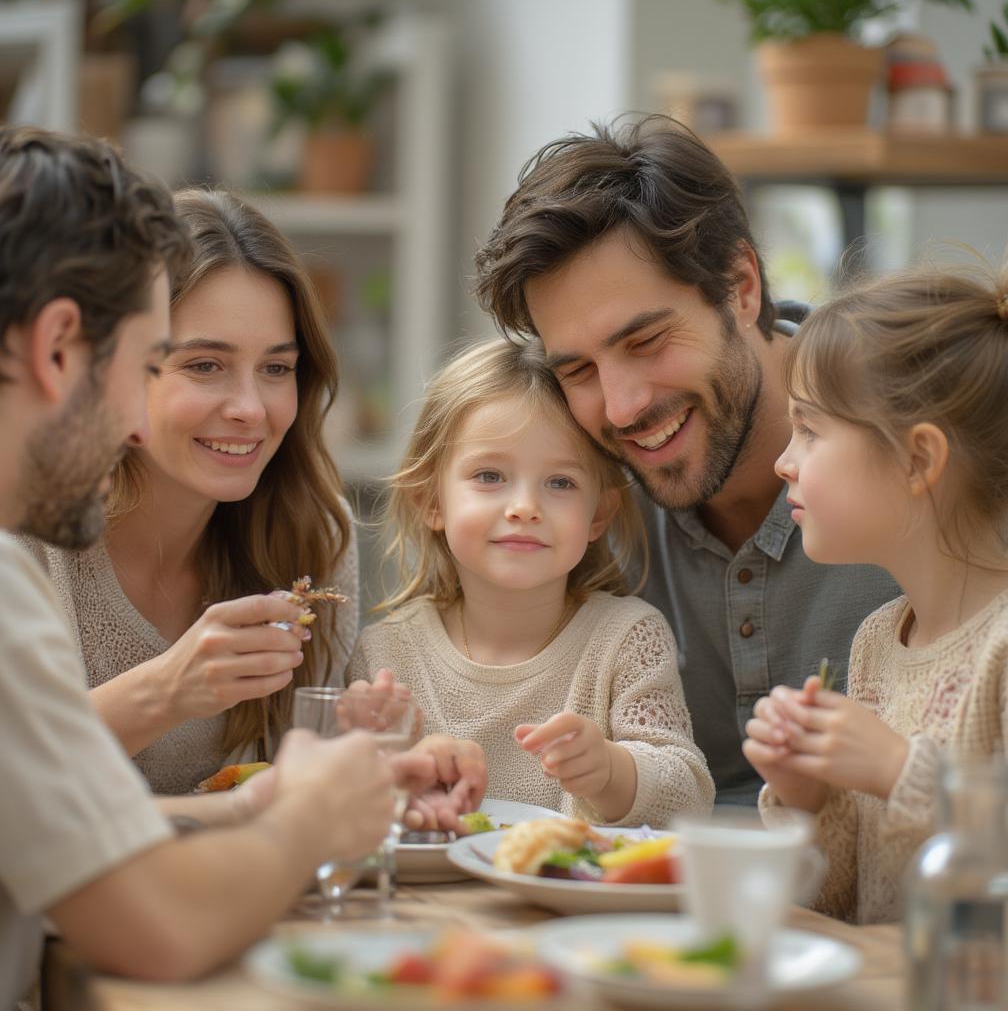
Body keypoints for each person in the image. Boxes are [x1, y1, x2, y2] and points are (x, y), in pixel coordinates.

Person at [0, 125, 434, 1010]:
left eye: (278, 369)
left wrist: (344, 782)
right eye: (159, 362)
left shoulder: (310, 529)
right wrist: (307, 817)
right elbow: (157, 928)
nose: (132, 422)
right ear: (58, 347)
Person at [473, 115, 899, 804]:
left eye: (644, 342)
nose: (619, 407)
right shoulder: (574, 497)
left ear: (742, 286)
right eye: (578, 369)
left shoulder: (921, 442)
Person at [20, 189, 360, 795]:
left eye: (277, 368)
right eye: (204, 365)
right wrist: (164, 692)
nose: (251, 409)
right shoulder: (24, 535)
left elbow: (312, 791)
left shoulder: (314, 530)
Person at [347, 338, 715, 826]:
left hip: (572, 899)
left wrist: (609, 772)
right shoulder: (386, 655)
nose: (524, 507)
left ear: (598, 515)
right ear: (430, 501)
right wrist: (373, 754)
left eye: (560, 482)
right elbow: (332, 810)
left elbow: (687, 794)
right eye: (490, 476)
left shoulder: (628, 639)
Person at [743, 263, 1008, 924]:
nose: (785, 460)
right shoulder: (876, 644)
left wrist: (896, 770)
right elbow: (842, 905)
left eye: (810, 428)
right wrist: (808, 798)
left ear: (918, 459)